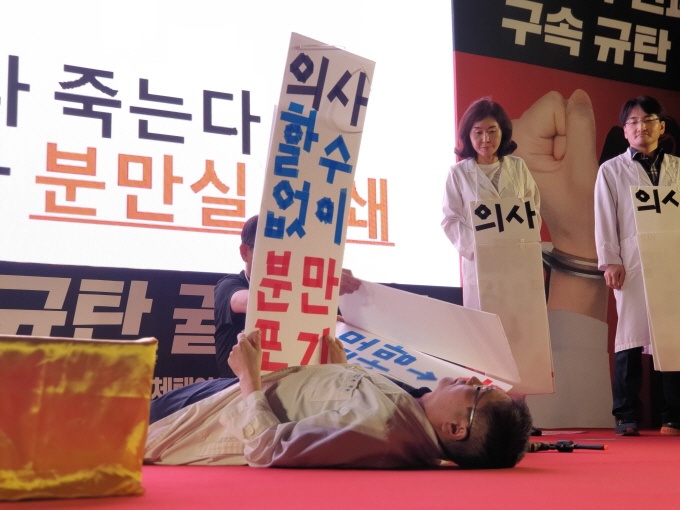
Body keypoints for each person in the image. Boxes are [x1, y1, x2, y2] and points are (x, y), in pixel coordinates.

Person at [145, 330, 533, 469]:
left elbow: (267, 448)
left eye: (478, 390)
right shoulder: (402, 418)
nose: (471, 379)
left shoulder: (382, 425)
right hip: (224, 397)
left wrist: (249, 376)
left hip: (205, 415)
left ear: (456, 428)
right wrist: (339, 371)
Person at [594, 96, 680, 436]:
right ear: (625, 130)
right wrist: (610, 261)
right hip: (633, 262)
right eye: (633, 122)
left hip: (672, 262)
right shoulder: (611, 170)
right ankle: (626, 414)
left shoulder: (677, 168)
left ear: (661, 126)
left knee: (673, 335)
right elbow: (605, 218)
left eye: (648, 120)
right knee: (630, 336)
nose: (641, 127)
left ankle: (673, 415)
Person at [214, 214, 362, 377]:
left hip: (298, 385)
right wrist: (323, 285)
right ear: (245, 252)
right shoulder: (230, 285)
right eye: (272, 249)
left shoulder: (305, 296)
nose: (284, 258)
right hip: (239, 389)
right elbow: (253, 301)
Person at [442, 98, 541, 309]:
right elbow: (450, 220)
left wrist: (523, 243)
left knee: (518, 321)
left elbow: (533, 209)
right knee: (484, 323)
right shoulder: (458, 173)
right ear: (468, 135)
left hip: (516, 262)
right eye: (478, 132)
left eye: (492, 131)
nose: (486, 139)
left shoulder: (518, 167)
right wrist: (480, 248)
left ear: (503, 132)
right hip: (481, 265)